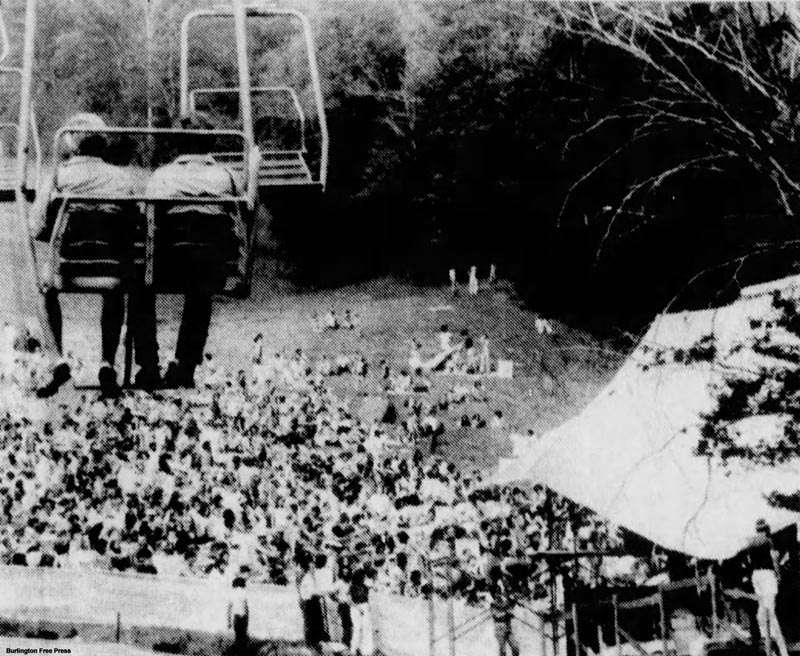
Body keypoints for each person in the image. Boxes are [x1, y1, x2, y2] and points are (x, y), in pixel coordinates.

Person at [33, 113, 137, 399]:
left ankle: (58, 360)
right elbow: (132, 227)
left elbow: (37, 227)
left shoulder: (58, 178)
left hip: (65, 272)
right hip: (110, 273)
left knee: (42, 287)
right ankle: (106, 363)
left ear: (72, 144)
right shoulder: (122, 179)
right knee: (115, 288)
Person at [136, 116, 242, 388]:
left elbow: (148, 217)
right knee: (201, 288)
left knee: (139, 288)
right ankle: (185, 364)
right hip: (212, 267)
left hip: (170, 265)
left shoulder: (162, 176)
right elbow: (245, 211)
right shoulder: (227, 177)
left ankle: (148, 364)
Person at [748, 519, 789, 656]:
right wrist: (778, 574)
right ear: (766, 529)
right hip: (767, 575)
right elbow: (774, 559)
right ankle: (781, 651)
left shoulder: (751, 542)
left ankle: (769, 648)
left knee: (762, 612)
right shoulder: (768, 540)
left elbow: (749, 560)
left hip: (756, 575)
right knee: (771, 613)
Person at [487, 565, 521, 656]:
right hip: (500, 626)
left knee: (515, 647)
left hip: (507, 625)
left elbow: (511, 603)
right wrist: (507, 611)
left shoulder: (503, 586)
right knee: (502, 650)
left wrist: (512, 601)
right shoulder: (494, 592)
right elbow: (494, 612)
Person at [349, 565, 374, 656]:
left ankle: (365, 650)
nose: (365, 577)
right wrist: (358, 608)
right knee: (357, 629)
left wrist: (368, 606)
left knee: (366, 629)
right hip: (356, 608)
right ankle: (353, 648)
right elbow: (350, 600)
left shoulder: (365, 587)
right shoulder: (353, 587)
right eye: (363, 576)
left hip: (364, 607)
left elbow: (367, 598)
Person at [227, 572, 250, 651]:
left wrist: (229, 621)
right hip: (243, 616)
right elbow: (246, 607)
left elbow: (229, 608)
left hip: (236, 617)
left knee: (238, 636)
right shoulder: (244, 593)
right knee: (243, 636)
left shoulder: (232, 593)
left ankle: (236, 651)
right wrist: (247, 619)